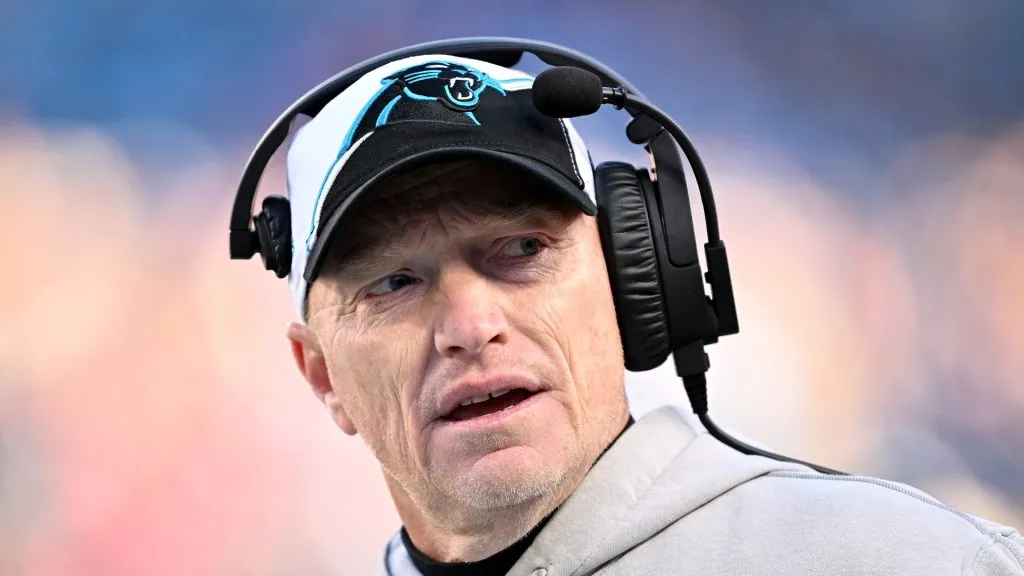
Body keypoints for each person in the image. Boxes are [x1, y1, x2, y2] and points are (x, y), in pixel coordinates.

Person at [272, 52, 1024, 575]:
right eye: (395, 283)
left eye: (523, 248)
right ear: (321, 374)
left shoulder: (909, 563)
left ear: (633, 281)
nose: (470, 328)